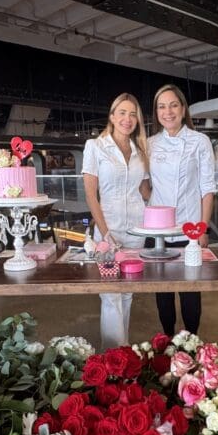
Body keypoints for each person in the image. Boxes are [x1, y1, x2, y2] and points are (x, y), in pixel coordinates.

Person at [147, 84, 217, 336]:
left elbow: (207, 188)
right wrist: (153, 208)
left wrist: (202, 228)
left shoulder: (200, 141)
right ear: (156, 112)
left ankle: (191, 340)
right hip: (158, 232)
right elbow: (145, 183)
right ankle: (166, 338)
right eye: (161, 106)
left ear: (183, 108)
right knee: (163, 292)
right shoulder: (150, 144)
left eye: (173, 105)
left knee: (190, 292)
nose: (168, 112)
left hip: (190, 229)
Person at [82, 93, 151, 348]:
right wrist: (105, 232)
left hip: (136, 229)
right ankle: (113, 359)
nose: (127, 119)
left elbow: (145, 192)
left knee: (128, 293)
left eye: (133, 114)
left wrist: (170, 211)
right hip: (107, 229)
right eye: (122, 112)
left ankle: (123, 354)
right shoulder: (95, 146)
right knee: (110, 294)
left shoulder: (139, 150)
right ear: (112, 116)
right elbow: (91, 193)